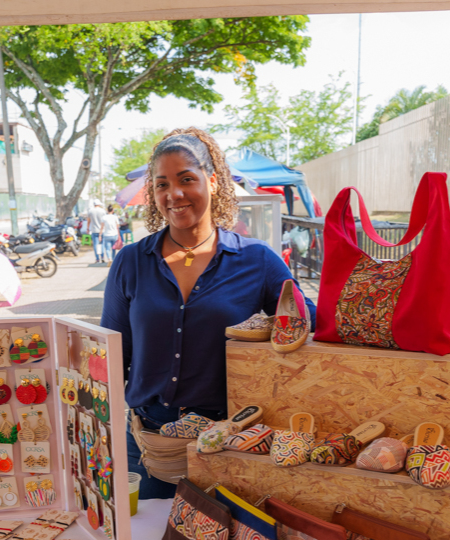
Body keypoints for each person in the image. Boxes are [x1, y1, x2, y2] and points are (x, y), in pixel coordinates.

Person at [101, 128, 316, 499]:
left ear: (213, 182)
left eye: (187, 179)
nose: (174, 194)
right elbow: (113, 358)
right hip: (147, 445)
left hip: (227, 443)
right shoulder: (131, 261)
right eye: (162, 184)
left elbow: (306, 319)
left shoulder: (256, 261)